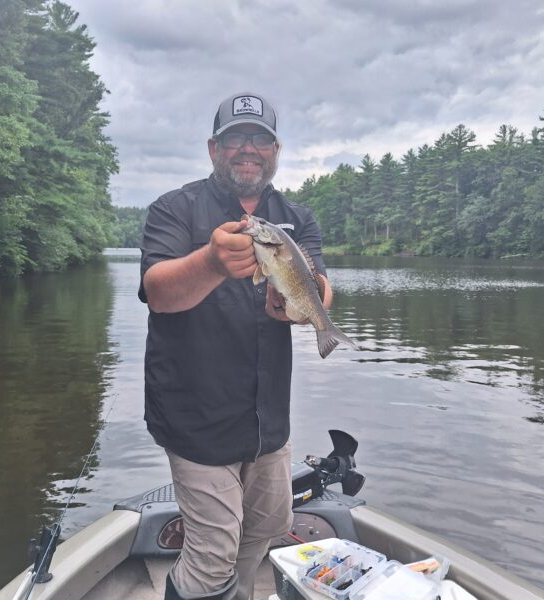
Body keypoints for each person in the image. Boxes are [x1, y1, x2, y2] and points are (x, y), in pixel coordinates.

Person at [139, 92, 333, 600]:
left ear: (276, 150)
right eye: (235, 139)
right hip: (195, 415)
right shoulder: (174, 209)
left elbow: (315, 283)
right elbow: (158, 292)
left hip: (269, 420)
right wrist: (210, 262)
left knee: (266, 528)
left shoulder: (296, 217)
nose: (249, 149)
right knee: (210, 556)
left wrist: (297, 307)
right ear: (213, 148)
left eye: (260, 139)